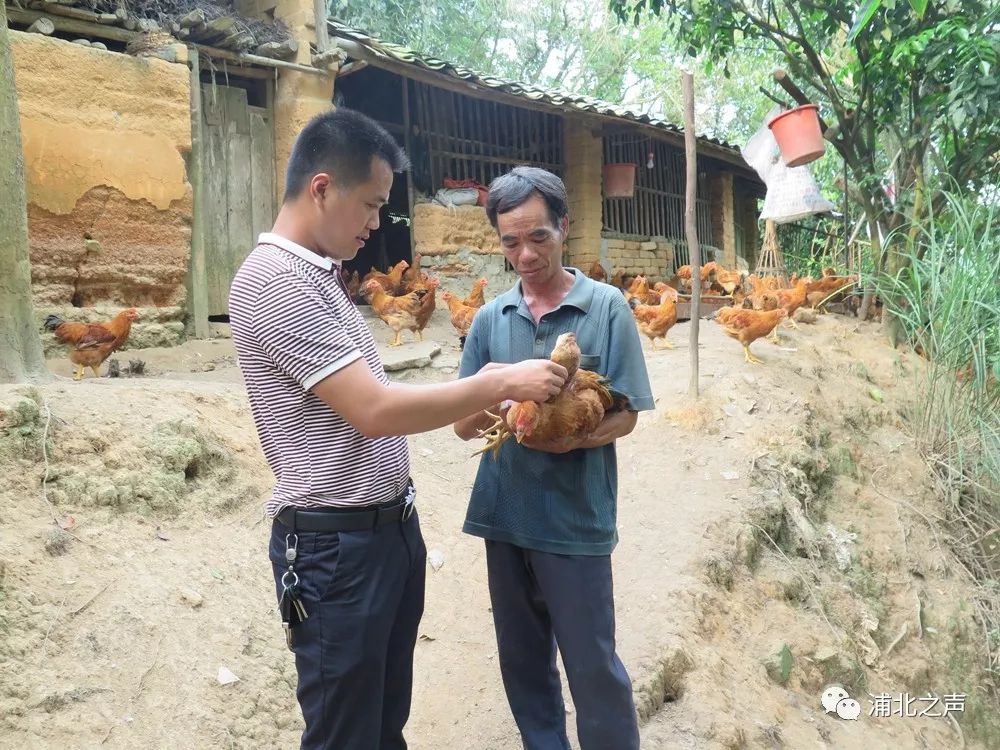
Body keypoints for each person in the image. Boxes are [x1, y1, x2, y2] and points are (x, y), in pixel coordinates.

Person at [228, 110, 567, 750]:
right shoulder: (276, 282)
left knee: (383, 723)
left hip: (382, 534)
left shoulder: (320, 276)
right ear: (322, 188)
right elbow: (376, 409)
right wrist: (498, 382)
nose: (378, 223)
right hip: (337, 552)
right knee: (347, 733)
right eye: (372, 204)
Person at [454, 167, 654, 750]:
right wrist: (506, 392)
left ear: (563, 228)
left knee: (592, 667)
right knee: (523, 664)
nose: (525, 254)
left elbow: (628, 413)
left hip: (575, 520)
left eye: (538, 237)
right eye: (510, 241)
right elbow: (465, 427)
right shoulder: (491, 320)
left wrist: (571, 437)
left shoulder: (607, 307)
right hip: (505, 516)